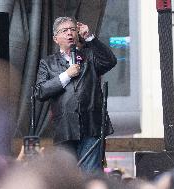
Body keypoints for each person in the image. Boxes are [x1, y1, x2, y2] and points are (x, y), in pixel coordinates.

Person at [35, 16, 117, 173]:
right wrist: (66, 75)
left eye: (72, 29)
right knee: (68, 176)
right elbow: (40, 91)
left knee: (90, 175)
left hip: (91, 125)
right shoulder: (48, 63)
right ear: (55, 38)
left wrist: (90, 38)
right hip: (65, 128)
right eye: (64, 31)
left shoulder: (90, 55)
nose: (69, 33)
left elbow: (110, 61)